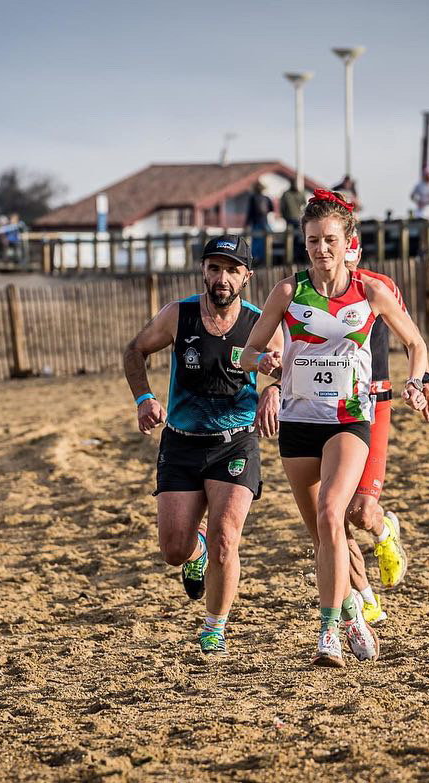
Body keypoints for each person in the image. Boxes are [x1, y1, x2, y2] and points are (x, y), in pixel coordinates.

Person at [241, 189, 429, 667]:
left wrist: (415, 382)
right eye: (312, 241)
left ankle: (326, 634)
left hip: (349, 420)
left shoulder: (371, 292)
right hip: (298, 424)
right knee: (325, 537)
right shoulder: (287, 292)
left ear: (348, 243)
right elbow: (246, 353)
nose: (321, 249)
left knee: (332, 512)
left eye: (329, 240)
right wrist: (266, 363)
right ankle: (352, 617)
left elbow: (416, 344)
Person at [123, 235, 282, 658]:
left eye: (232, 270)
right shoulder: (179, 314)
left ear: (247, 277)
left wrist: (274, 390)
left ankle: (214, 628)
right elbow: (135, 350)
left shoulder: (259, 323)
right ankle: (197, 552)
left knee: (226, 537)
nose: (222, 278)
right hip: (182, 442)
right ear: (203, 272)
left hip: (236, 443)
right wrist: (144, 399)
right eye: (214, 268)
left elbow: (287, 366)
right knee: (173, 550)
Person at [341, 234, 429, 624]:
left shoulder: (377, 287)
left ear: (355, 253)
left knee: (360, 512)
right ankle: (365, 597)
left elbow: (410, 338)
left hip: (374, 401)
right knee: (332, 514)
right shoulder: (304, 293)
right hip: (324, 410)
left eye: (348, 256)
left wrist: (423, 380)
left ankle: (384, 531)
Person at [243, 182, 273, 263]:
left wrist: (246, 224)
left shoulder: (253, 198)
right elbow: (271, 209)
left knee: (256, 241)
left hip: (256, 223)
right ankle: (265, 258)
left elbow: (250, 212)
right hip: (265, 222)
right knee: (266, 240)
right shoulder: (266, 198)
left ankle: (255, 258)